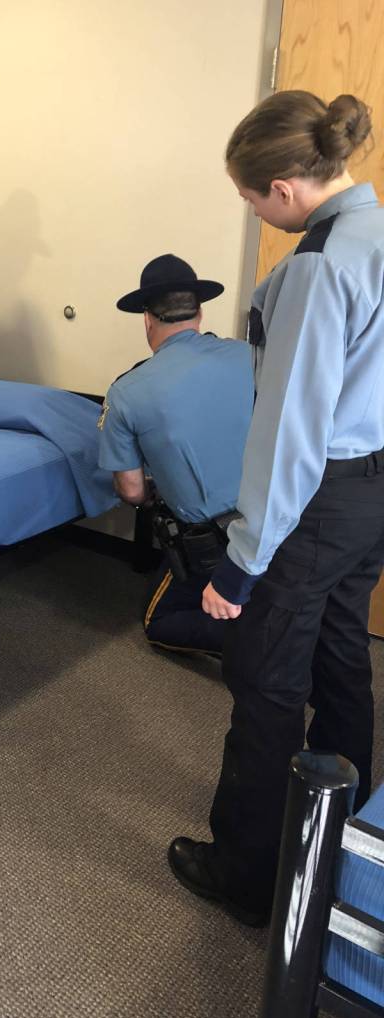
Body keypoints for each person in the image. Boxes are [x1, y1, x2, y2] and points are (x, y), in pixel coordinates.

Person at [168, 90, 384, 928]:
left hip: (318, 500)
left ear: (285, 188)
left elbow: (290, 429)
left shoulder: (317, 269)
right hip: (373, 493)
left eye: (251, 198)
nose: (256, 212)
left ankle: (248, 874)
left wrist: (241, 560)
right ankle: (344, 840)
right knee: (341, 659)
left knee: (264, 679)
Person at [98, 254, 253, 656]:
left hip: (211, 545)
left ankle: (251, 643)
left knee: (158, 621)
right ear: (199, 312)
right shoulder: (250, 356)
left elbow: (131, 492)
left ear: (147, 319)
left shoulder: (126, 391)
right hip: (277, 527)